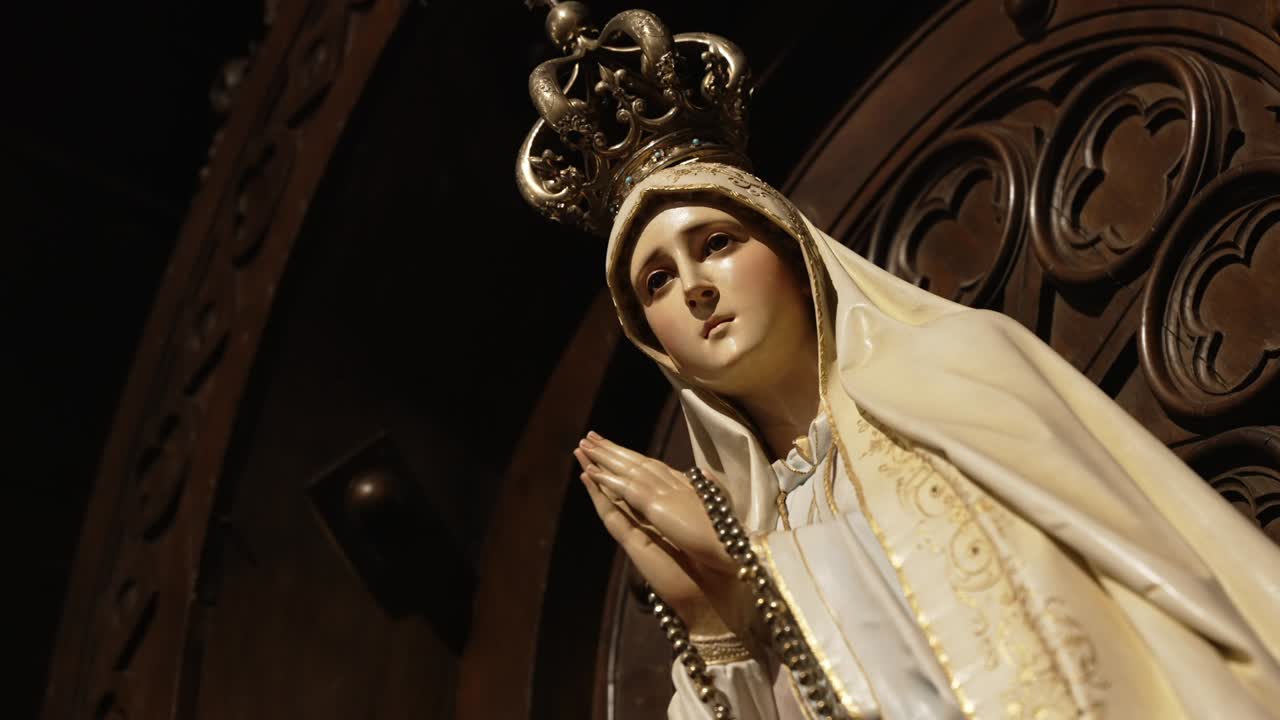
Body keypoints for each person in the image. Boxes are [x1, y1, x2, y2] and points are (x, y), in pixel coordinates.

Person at [569, 161, 1280, 719]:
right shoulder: (744, 522)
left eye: (717, 244)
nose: (694, 287)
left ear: (794, 249)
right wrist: (715, 622)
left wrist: (764, 565)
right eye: (657, 281)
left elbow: (1045, 608)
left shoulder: (957, 366)